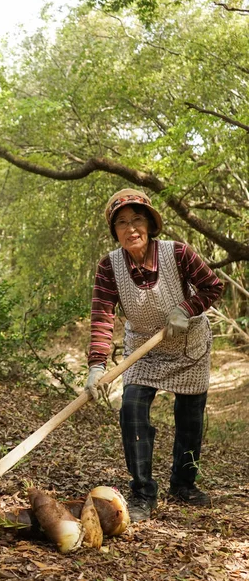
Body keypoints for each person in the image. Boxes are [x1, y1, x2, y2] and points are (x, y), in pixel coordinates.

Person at [84, 188, 223, 522]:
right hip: (143, 349)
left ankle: (184, 485)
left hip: (189, 345)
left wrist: (185, 308)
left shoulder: (178, 253)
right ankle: (142, 492)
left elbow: (213, 287)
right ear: (114, 231)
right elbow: (103, 316)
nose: (131, 228)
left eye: (137, 220)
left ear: (150, 224)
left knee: (190, 419)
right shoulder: (109, 267)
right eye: (122, 223)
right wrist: (96, 366)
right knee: (131, 409)